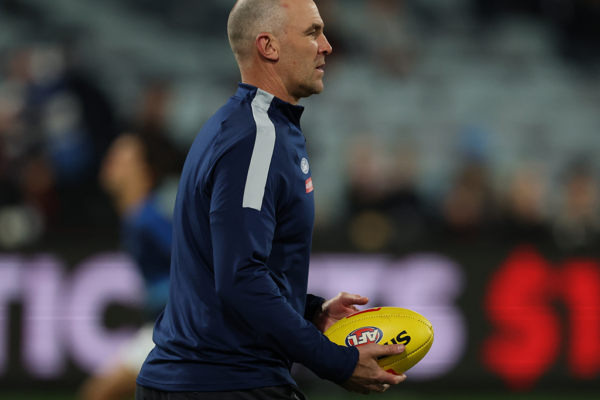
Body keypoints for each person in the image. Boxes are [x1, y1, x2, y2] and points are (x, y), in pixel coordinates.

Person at [136, 1, 407, 398]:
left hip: (203, 378)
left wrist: (309, 310)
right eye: (312, 32)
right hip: (226, 383)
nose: (327, 45)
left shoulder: (245, 126)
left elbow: (230, 264)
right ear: (268, 46)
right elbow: (240, 277)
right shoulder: (256, 140)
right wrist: (338, 362)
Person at [79, 132, 181, 400]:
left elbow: (193, 264)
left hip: (176, 332)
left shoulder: (147, 219)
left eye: (120, 158)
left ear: (144, 170)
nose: (109, 162)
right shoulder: (137, 217)